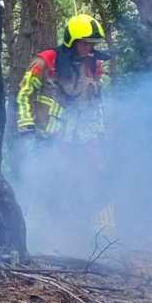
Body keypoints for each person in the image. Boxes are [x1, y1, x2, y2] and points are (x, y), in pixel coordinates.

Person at [16, 14, 116, 236]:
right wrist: (26, 125)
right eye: (85, 42)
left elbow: (95, 100)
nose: (89, 47)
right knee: (48, 181)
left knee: (100, 177)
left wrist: (101, 132)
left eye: (92, 43)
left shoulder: (93, 65)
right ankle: (36, 234)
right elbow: (24, 94)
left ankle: (106, 235)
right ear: (72, 40)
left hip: (85, 135)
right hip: (52, 135)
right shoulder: (44, 62)